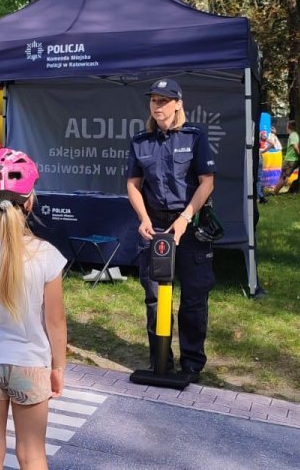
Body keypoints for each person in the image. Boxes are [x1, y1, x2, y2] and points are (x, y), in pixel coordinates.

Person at [0, 148, 68, 470]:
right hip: (31, 363)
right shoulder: (46, 254)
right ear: (30, 201)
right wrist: (57, 366)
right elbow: (55, 320)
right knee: (32, 454)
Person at [125, 78, 216, 383]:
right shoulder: (141, 141)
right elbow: (133, 185)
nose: (158, 106)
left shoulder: (195, 136)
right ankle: (160, 359)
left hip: (188, 225)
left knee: (193, 298)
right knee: (154, 297)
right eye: (154, 100)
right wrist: (142, 217)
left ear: (178, 104)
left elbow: (207, 182)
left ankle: (192, 363)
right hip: (155, 226)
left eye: (164, 101)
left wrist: (186, 218)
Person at [270, 119, 299, 194]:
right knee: (285, 176)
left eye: (286, 126)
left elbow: (295, 147)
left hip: (290, 160)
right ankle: (276, 190)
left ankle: (275, 192)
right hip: (291, 159)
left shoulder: (293, 135)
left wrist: (299, 154)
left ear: (288, 127)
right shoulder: (295, 135)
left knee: (282, 177)